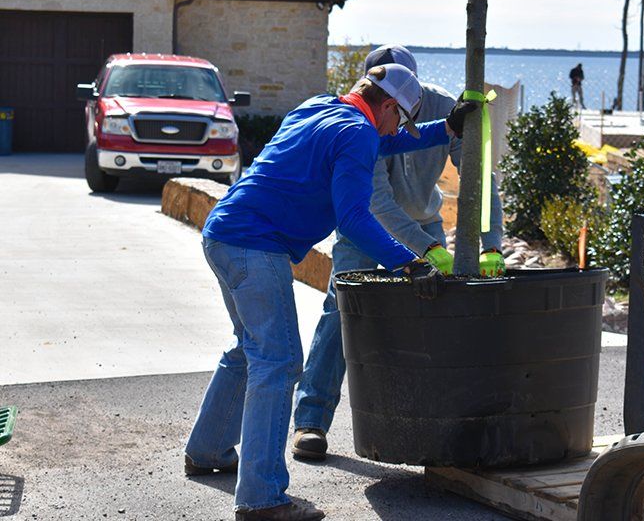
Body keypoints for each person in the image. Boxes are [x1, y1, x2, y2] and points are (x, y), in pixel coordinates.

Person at [184, 63, 475, 521]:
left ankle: (208, 450)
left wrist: (447, 127)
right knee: (278, 362)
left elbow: (385, 140)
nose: (399, 128)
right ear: (386, 105)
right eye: (400, 117)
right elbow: (356, 219)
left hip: (222, 233)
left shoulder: (318, 107)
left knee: (249, 349)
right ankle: (261, 499)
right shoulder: (358, 133)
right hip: (255, 248)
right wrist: (410, 262)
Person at [291, 44, 506, 462]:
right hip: (363, 229)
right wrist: (423, 251)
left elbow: (479, 177)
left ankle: (439, 419)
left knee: (437, 316)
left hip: (425, 221)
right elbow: (376, 203)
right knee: (341, 313)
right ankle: (310, 421)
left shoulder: (445, 107)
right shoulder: (360, 120)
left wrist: (491, 241)